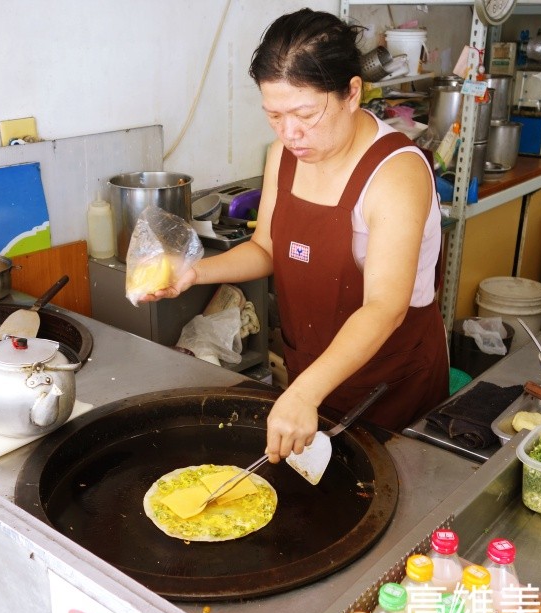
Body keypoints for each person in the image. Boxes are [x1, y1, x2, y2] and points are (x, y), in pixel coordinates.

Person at [146, 8, 448, 461]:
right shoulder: (282, 155)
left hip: (388, 384)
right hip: (312, 372)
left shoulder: (395, 173)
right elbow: (265, 248)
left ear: (351, 93)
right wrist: (194, 272)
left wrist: (304, 392)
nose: (290, 133)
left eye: (306, 113)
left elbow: (385, 307)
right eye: (274, 115)